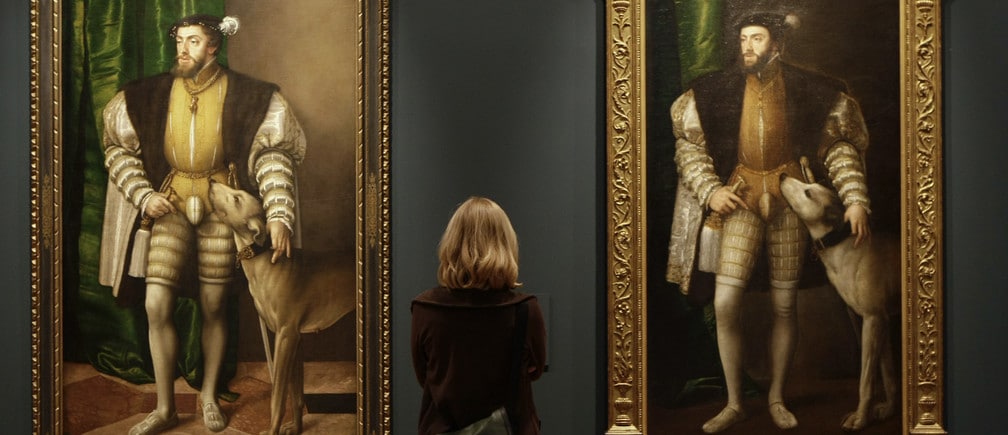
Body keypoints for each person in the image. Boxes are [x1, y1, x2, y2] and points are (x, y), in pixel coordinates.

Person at [98, 14, 306, 435]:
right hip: (169, 205)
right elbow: (118, 151)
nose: (183, 50)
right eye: (179, 41)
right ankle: (164, 407)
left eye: (193, 42)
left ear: (213, 46)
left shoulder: (249, 96)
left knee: (213, 305)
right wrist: (144, 195)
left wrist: (280, 213)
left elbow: (273, 157)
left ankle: (209, 395)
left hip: (219, 212)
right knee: (156, 303)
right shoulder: (148, 96)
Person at [665, 11, 872, 433]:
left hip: (790, 204)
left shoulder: (810, 89)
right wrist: (711, 191)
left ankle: (777, 396)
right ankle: (736, 402)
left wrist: (854, 198)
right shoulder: (713, 91)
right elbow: (690, 150)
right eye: (743, 39)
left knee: (784, 305)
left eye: (756, 39)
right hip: (739, 199)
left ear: (776, 44)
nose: (747, 48)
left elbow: (839, 148)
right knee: (724, 304)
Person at [411, 197, 547, 435]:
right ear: (506, 245)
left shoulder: (425, 308)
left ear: (451, 245)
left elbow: (425, 377)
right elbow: (534, 370)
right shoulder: (525, 310)